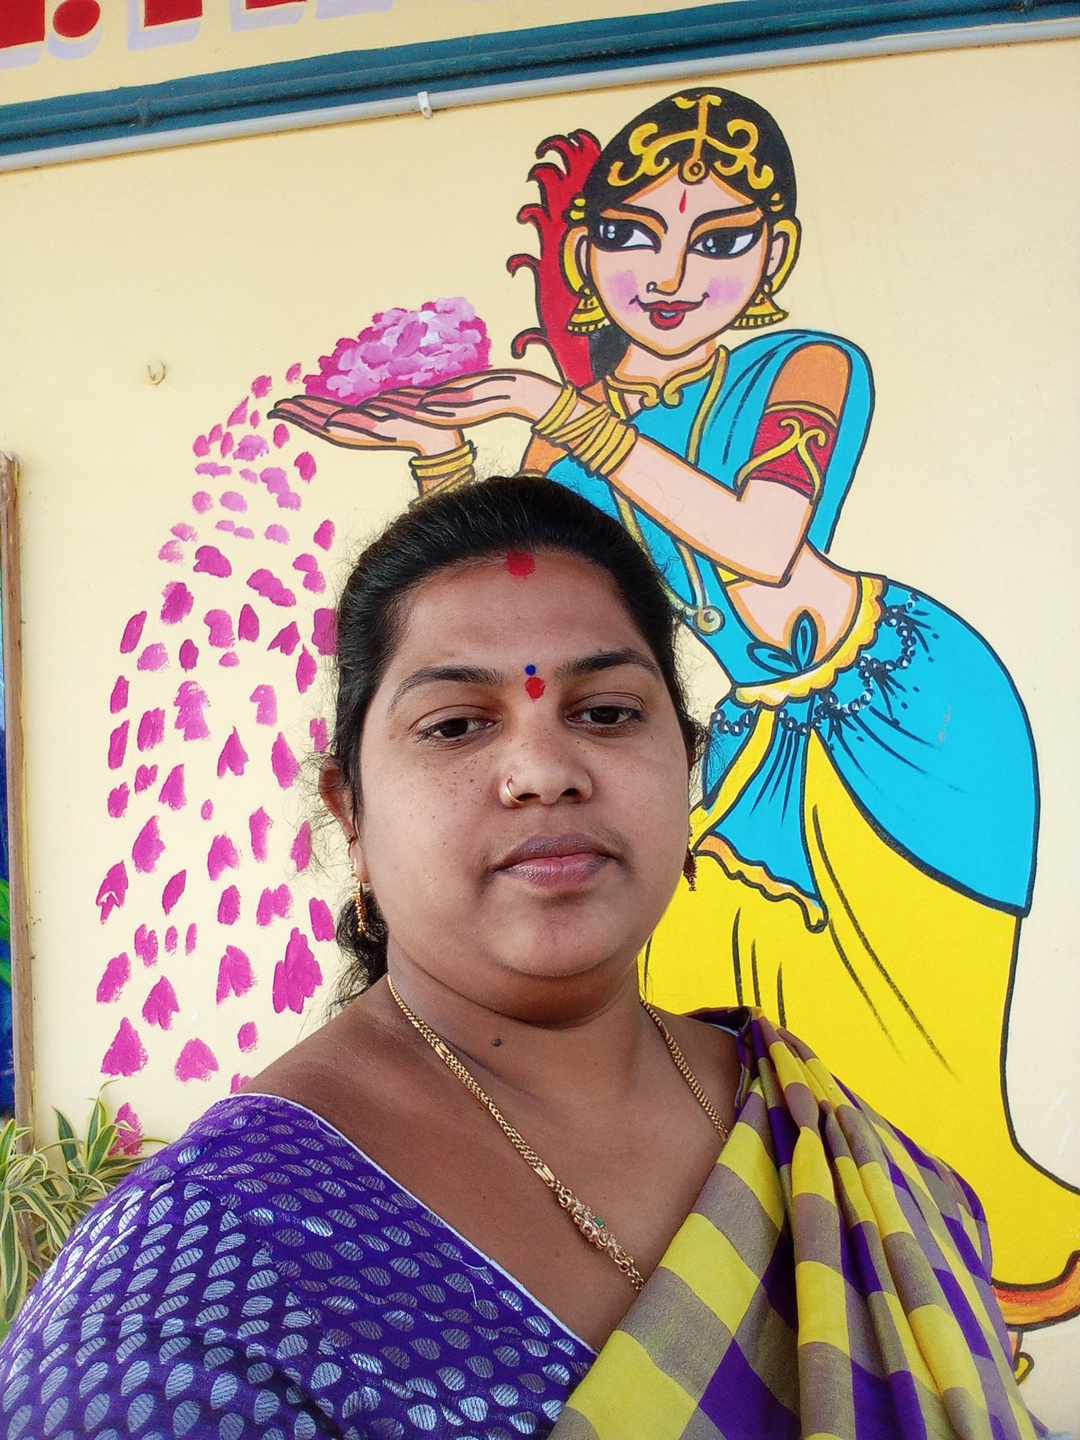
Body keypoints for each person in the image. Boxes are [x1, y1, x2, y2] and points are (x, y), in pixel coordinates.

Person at [0, 477, 1046, 1438]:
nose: (544, 769)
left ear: (689, 772)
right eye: (457, 725)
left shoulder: (833, 1149)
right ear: (350, 813)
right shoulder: (184, 1303)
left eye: (607, 713)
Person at [268, 88, 1080, 1318]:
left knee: (909, 1066)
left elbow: (760, 540)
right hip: (750, 739)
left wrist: (545, 408)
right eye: (632, 234)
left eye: (719, 238)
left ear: (776, 254)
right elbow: (512, 614)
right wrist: (438, 448)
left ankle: (927, 1325)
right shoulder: (573, 436)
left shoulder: (803, 368)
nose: (669, 272)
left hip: (899, 717)